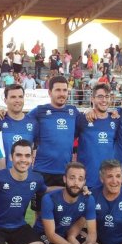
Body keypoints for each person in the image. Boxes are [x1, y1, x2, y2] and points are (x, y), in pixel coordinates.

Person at [34, 162, 99, 244]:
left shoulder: (88, 199)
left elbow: (92, 232)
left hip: (66, 233)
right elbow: (51, 234)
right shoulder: (50, 198)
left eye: (80, 179)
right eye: (72, 177)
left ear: (84, 181)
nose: (76, 183)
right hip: (44, 233)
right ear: (65, 179)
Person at [29, 75, 80, 211]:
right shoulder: (40, 111)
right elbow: (20, 120)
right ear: (49, 92)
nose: (62, 94)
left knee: (64, 212)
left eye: (64, 90)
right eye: (58, 90)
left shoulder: (73, 112)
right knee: (39, 213)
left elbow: (89, 121)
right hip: (42, 171)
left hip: (65, 171)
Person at [76, 83, 118, 189]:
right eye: (100, 96)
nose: (104, 100)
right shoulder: (82, 119)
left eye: (107, 96)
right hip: (86, 183)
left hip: (109, 184)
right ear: (92, 99)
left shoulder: (116, 120)